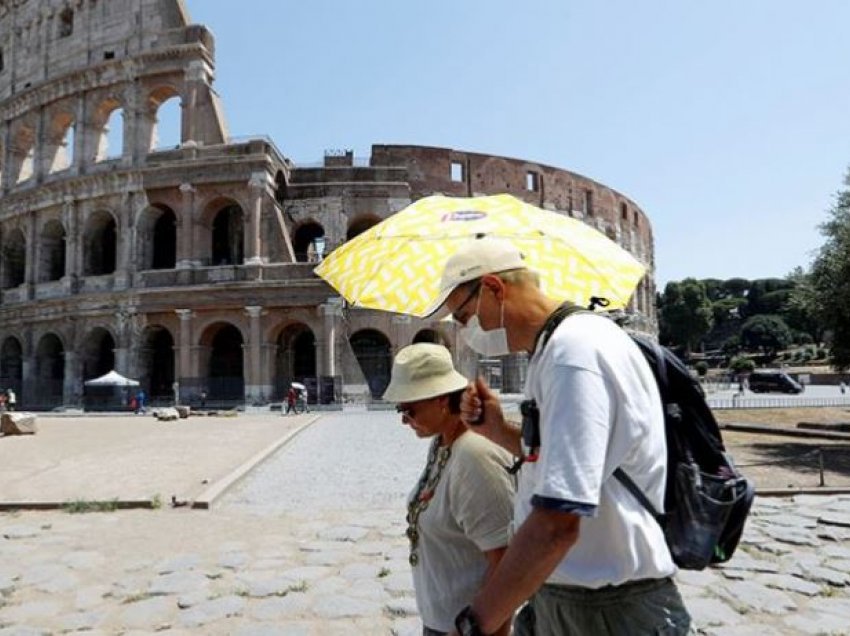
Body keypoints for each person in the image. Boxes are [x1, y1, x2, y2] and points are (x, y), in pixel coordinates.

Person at [422, 238, 690, 636]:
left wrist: (478, 621)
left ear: (494, 289)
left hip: (606, 611)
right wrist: (499, 431)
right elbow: (574, 465)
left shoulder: (573, 354)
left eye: (463, 317)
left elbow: (557, 522)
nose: (466, 332)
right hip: (573, 597)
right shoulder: (557, 348)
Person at [383, 343, 515, 636]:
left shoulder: (474, 456)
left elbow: (506, 564)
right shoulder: (443, 442)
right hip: (444, 621)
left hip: (469, 628)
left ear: (441, 401)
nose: (404, 419)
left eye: (409, 409)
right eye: (400, 409)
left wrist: (477, 628)